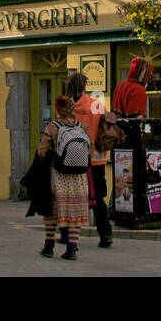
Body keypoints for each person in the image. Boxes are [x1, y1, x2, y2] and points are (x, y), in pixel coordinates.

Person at [36, 96, 90, 260]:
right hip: (79, 177)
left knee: (52, 210)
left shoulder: (53, 127)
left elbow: (42, 152)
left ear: (58, 109)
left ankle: (49, 246)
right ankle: (72, 248)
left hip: (58, 174)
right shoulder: (82, 127)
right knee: (75, 212)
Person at [64, 71, 112, 248]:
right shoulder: (97, 106)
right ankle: (105, 233)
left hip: (72, 160)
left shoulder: (65, 109)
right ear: (84, 87)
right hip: (96, 158)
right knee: (97, 198)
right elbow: (108, 129)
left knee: (69, 198)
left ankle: (67, 234)